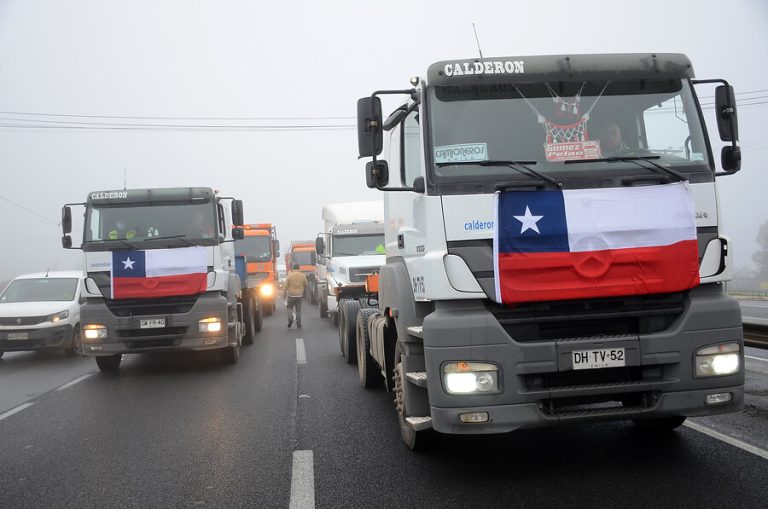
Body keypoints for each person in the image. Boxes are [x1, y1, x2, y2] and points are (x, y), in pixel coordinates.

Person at [283, 264, 308, 328]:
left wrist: (284, 294)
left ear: (293, 268)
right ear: (299, 268)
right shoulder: (303, 276)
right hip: (299, 295)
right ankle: (298, 323)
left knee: (289, 308)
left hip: (291, 295)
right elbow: (306, 284)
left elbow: (285, 286)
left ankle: (290, 319)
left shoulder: (290, 275)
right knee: (298, 309)